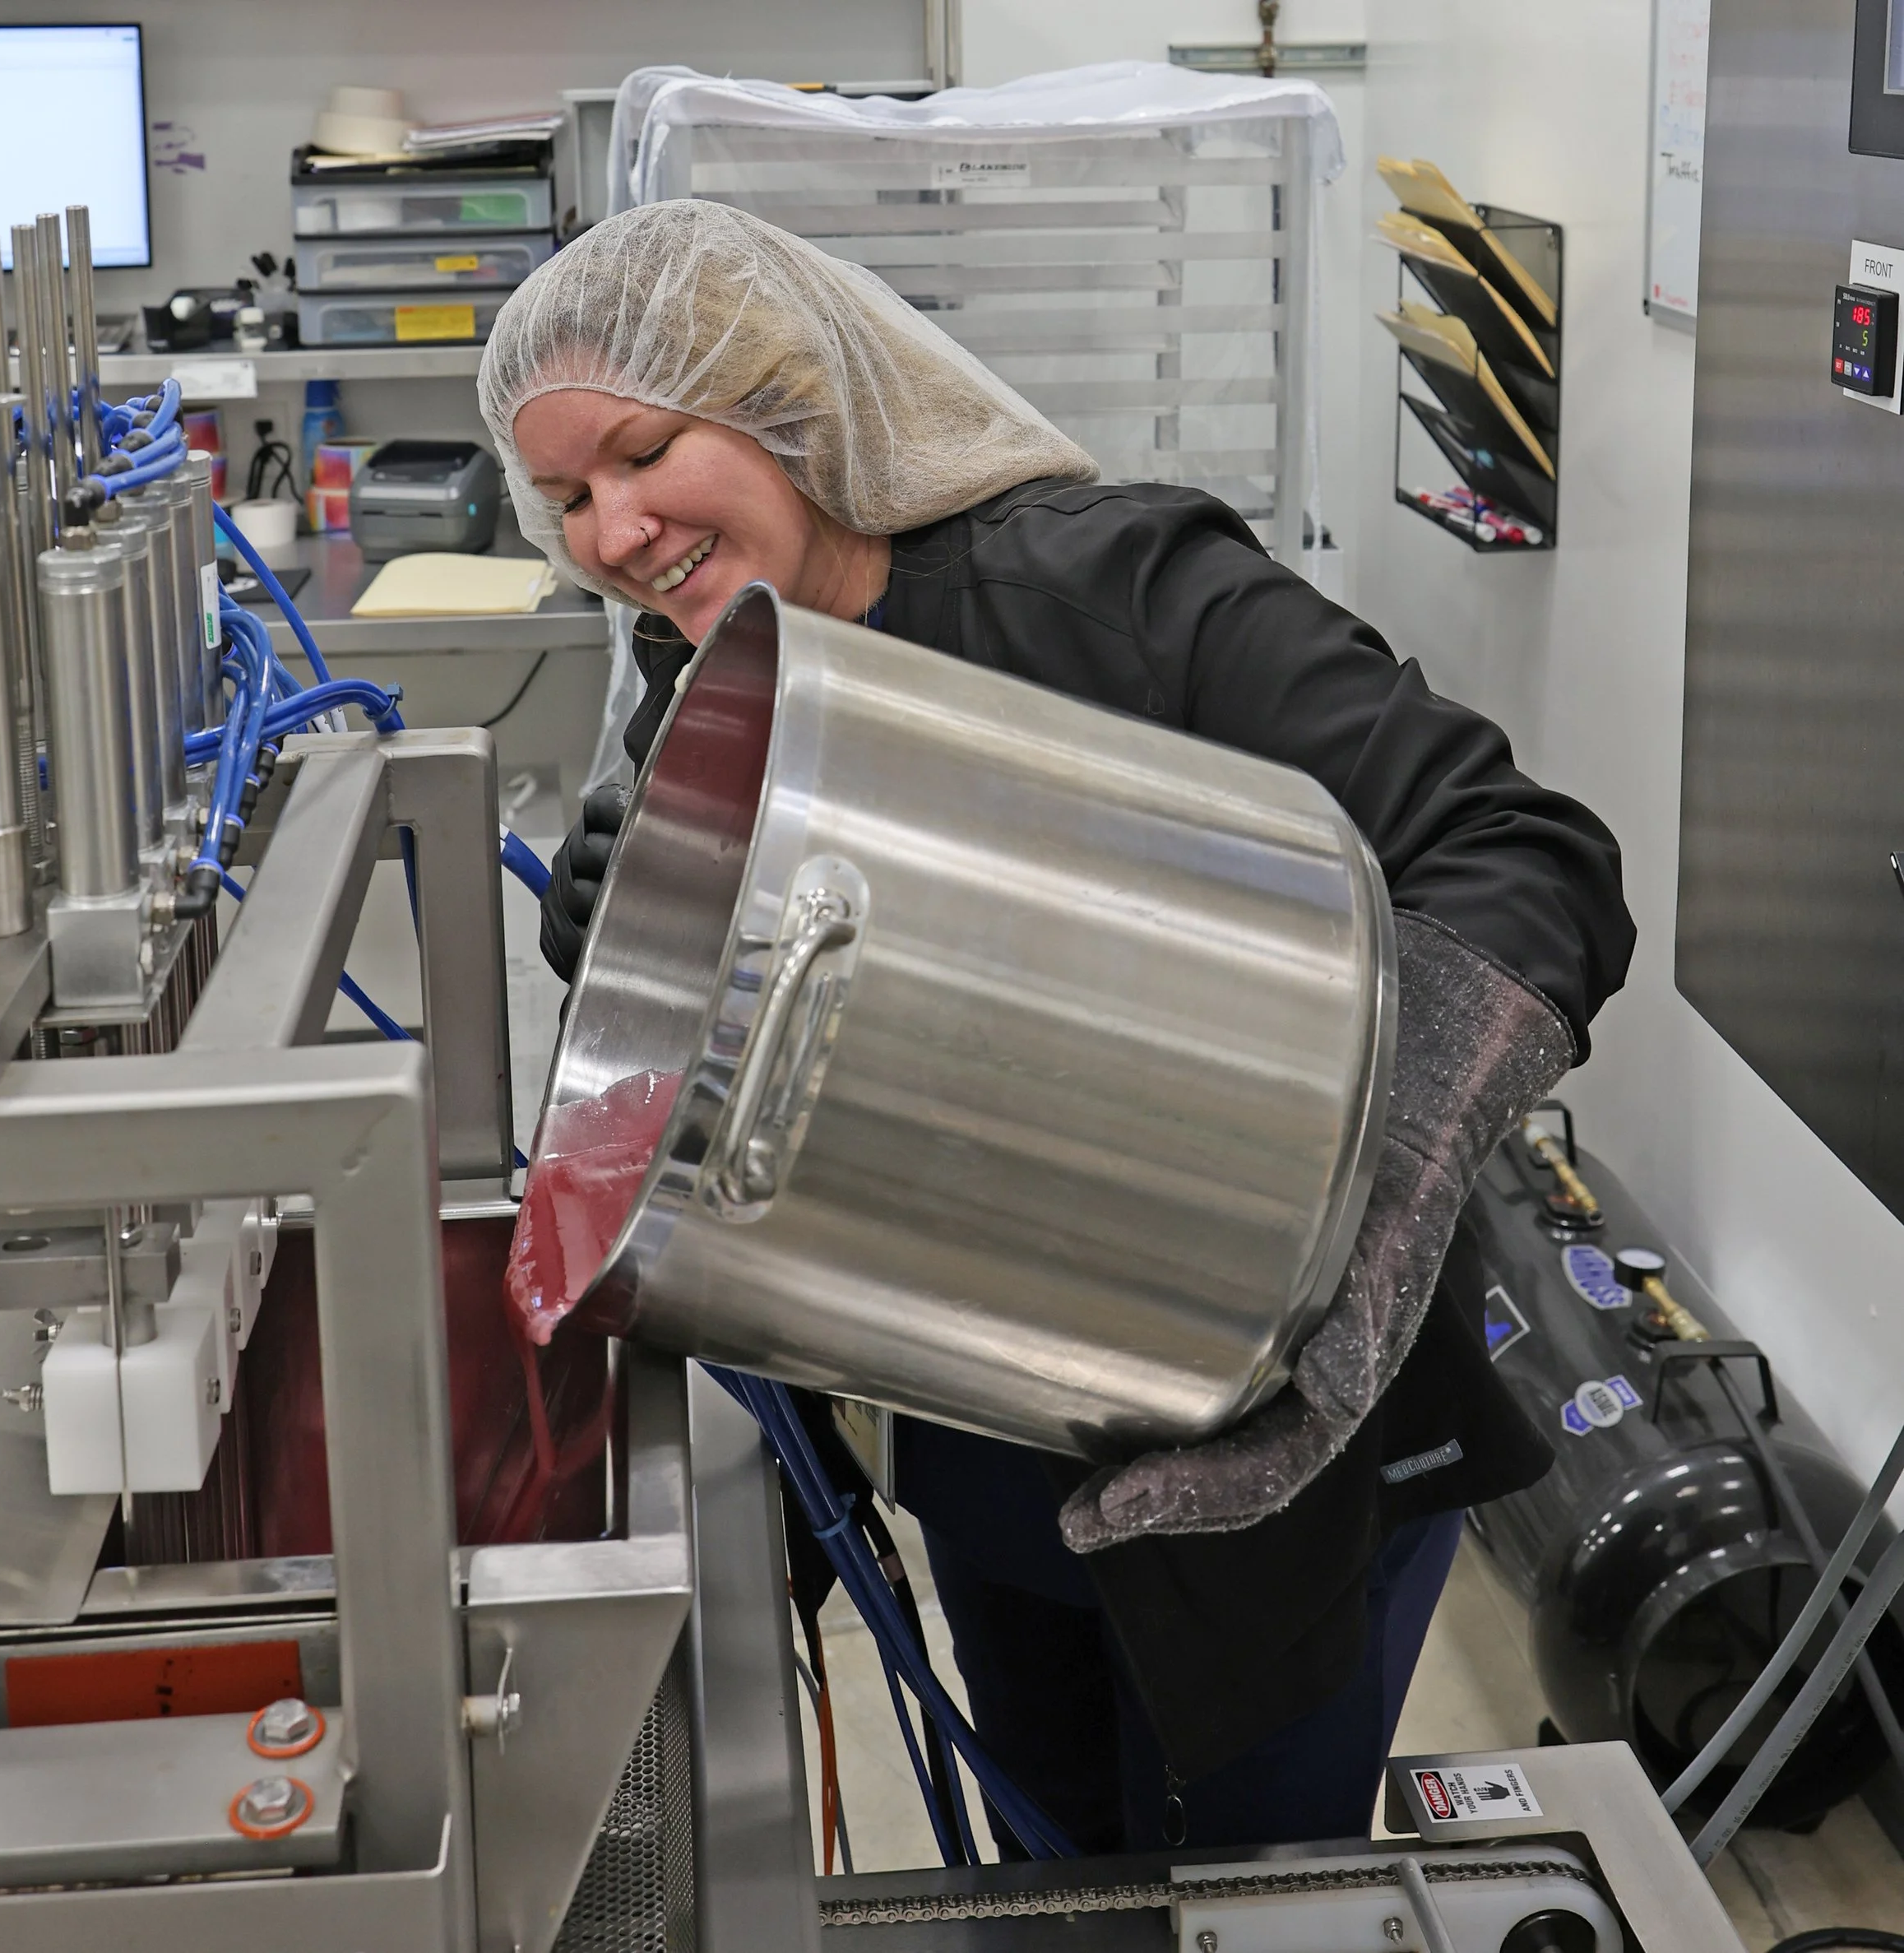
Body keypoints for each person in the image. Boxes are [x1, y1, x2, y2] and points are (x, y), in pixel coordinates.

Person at [478, 199, 1634, 1856]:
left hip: (1276, 1465)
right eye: (569, 498)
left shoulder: (1115, 588)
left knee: (1248, 1888)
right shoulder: (710, 686)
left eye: (645, 451)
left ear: (782, 398)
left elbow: (1523, 856)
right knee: (1060, 1875)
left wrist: (1373, 1212)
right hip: (990, 1450)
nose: (611, 529)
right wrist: (631, 947)